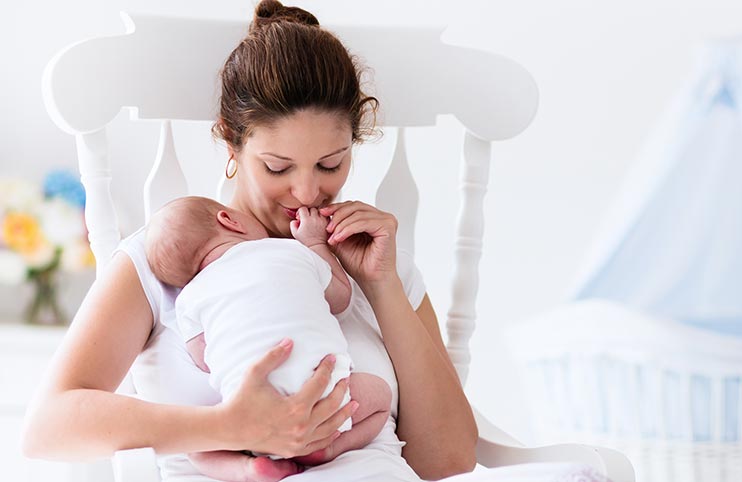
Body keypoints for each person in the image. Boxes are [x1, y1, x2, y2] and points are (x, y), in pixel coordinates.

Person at [22, 1, 477, 481]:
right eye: (277, 167)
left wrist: (381, 285)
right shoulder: (168, 261)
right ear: (231, 143)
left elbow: (447, 460)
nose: (307, 191)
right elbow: (48, 430)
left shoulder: (380, 263)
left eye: (331, 164)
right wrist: (226, 424)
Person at [144, 195, 392, 480]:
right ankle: (328, 449)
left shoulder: (187, 299)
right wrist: (315, 244)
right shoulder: (290, 251)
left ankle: (249, 468)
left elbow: (203, 359)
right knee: (380, 396)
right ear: (229, 220)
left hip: (248, 414)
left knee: (197, 450)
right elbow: (339, 297)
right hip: (327, 400)